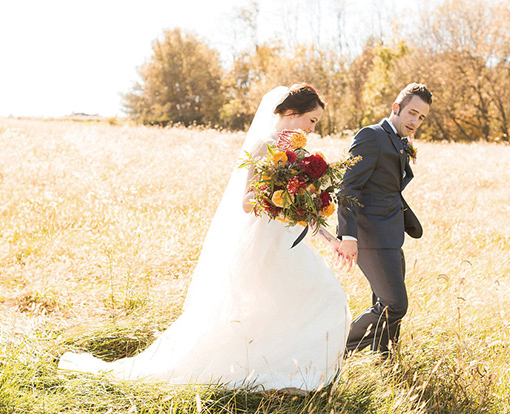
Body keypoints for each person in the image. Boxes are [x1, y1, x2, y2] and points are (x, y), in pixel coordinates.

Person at [59, 84, 351, 392]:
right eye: (312, 120)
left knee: (325, 296)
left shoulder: (302, 155)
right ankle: (270, 373)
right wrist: (280, 202)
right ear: (293, 113)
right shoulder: (264, 146)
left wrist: (332, 240)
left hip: (286, 243)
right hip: (262, 244)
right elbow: (246, 202)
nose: (312, 128)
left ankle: (294, 373)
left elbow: (307, 209)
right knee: (283, 304)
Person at [335, 83, 432, 357]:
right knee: (394, 304)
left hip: (390, 234)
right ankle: (337, 350)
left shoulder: (398, 141)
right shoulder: (371, 136)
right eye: (412, 113)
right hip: (369, 235)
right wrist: (349, 237)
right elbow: (348, 188)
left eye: (421, 117)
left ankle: (385, 361)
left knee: (385, 304)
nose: (415, 121)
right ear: (396, 108)